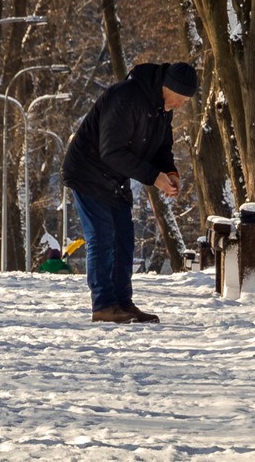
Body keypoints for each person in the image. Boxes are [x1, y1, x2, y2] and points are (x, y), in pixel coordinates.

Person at [62, 61, 198, 323]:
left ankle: (122, 303)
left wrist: (170, 172)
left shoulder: (163, 109)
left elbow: (162, 148)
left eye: (185, 101)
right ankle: (103, 305)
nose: (181, 105)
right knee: (102, 239)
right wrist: (153, 177)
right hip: (87, 173)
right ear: (166, 87)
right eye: (180, 99)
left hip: (116, 178)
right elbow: (111, 151)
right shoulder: (125, 97)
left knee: (124, 239)